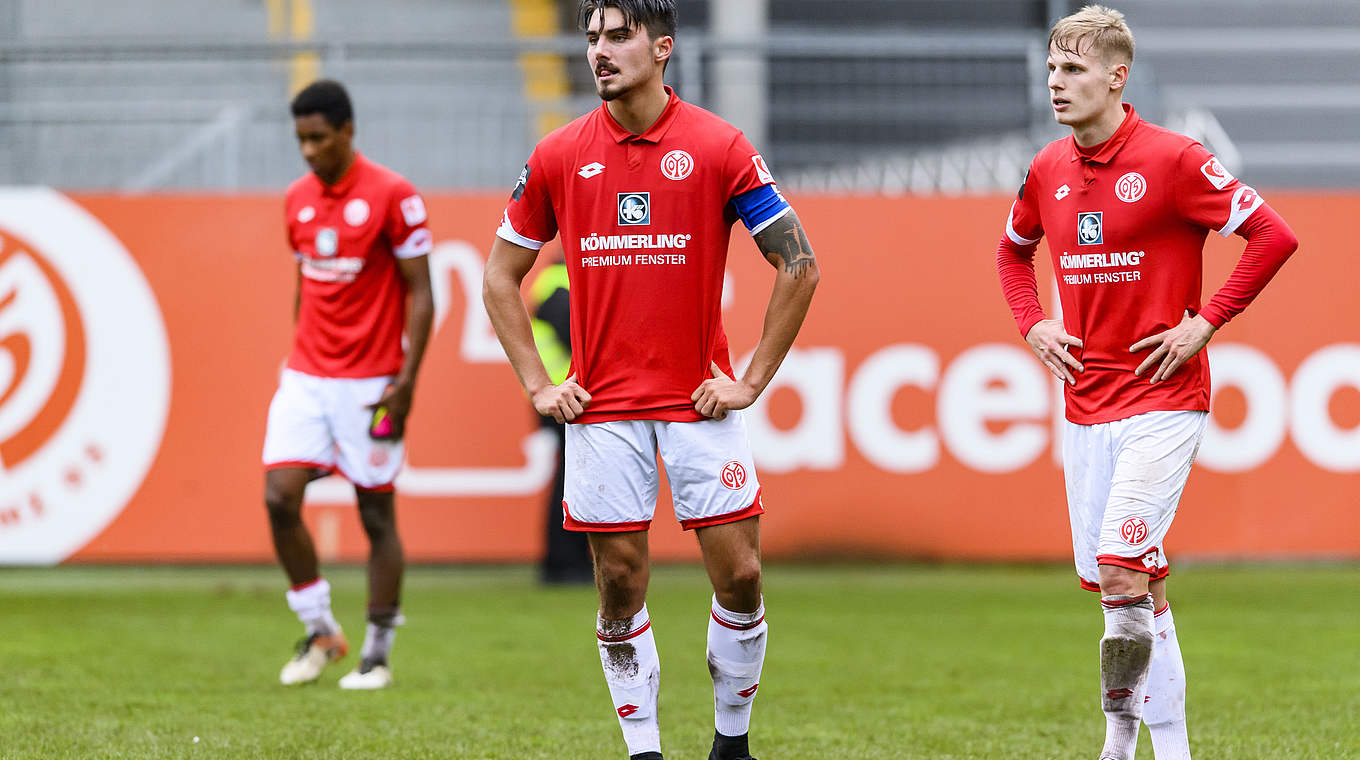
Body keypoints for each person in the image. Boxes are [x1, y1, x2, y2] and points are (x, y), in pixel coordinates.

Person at [483, 2, 819, 758]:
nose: (600, 52)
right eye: (592, 38)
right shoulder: (560, 154)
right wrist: (541, 383)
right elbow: (501, 278)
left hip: (700, 401)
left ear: (662, 47)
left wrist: (751, 380)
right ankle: (644, 749)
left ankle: (731, 744)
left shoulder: (718, 145)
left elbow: (799, 265)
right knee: (619, 586)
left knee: (741, 576)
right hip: (602, 410)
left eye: (618, 37)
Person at [995, 7, 1298, 760]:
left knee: (1123, 569)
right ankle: (1171, 752)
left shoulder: (1175, 160)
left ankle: (1117, 745)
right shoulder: (1047, 169)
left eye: (1073, 70)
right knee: (1134, 589)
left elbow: (1273, 235)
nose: (1056, 84)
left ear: (1116, 76)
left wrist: (1208, 319)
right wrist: (1033, 323)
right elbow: (1010, 254)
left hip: (1165, 400)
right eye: (1052, 69)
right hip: (1086, 406)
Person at [262, 79, 434, 690]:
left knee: (375, 512)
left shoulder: (394, 196)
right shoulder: (296, 200)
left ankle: (378, 652)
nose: (308, 150)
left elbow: (422, 292)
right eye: (300, 139)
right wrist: (301, 344)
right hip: (307, 375)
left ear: (347, 131)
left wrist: (406, 381)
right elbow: (306, 282)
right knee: (279, 496)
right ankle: (320, 630)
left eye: (318, 137)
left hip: (371, 383)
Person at [529, 256, 595, 584]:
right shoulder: (558, 284)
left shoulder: (556, 281)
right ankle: (563, 562)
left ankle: (569, 561)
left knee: (573, 478)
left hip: (565, 395)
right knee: (570, 480)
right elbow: (580, 340)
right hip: (565, 397)